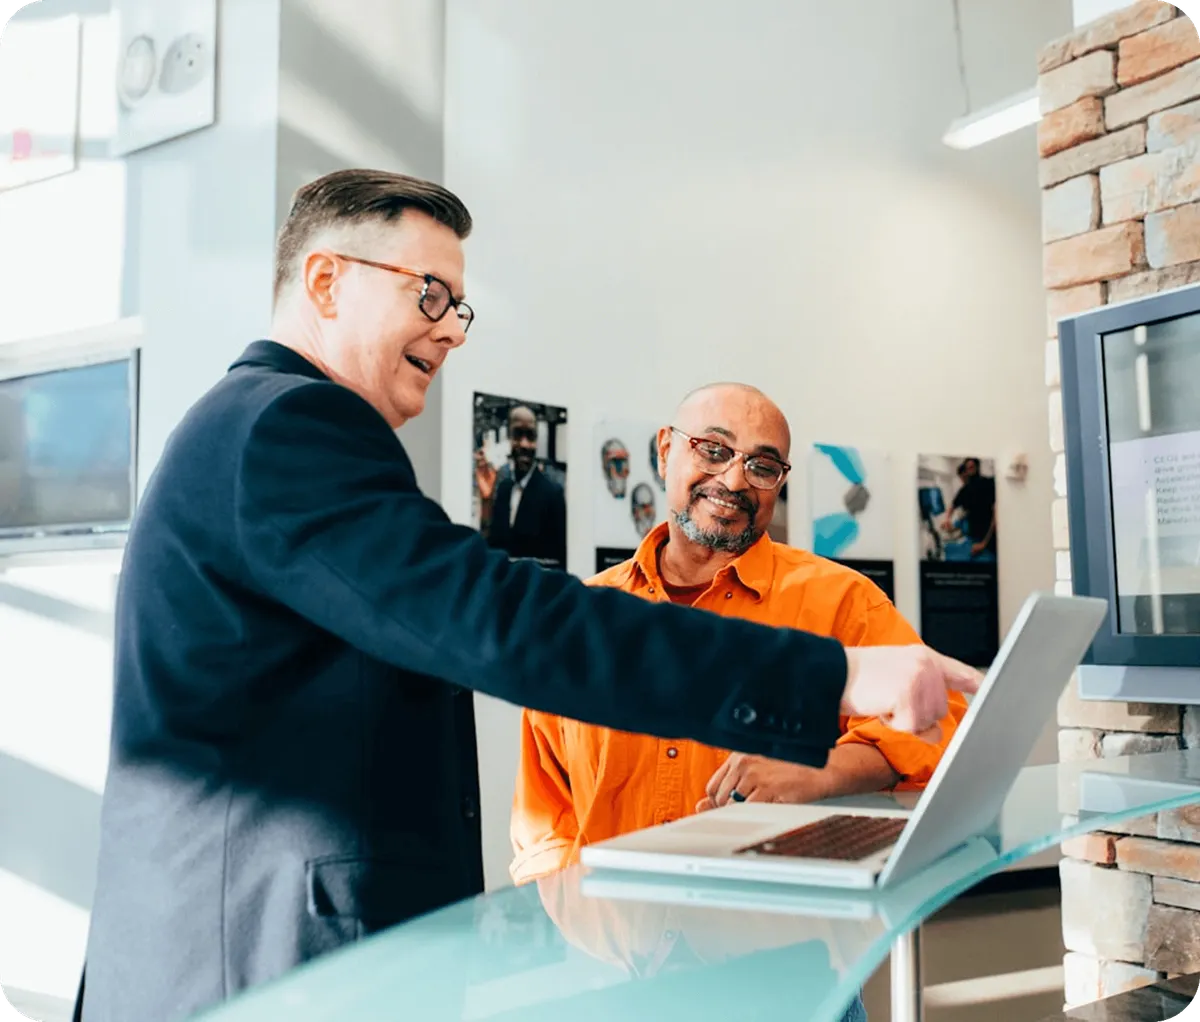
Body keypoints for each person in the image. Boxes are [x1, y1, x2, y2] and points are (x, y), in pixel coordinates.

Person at [75, 170, 979, 1022]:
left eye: (458, 306)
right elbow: (498, 619)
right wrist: (836, 679)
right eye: (428, 293)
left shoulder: (260, 428)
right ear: (324, 282)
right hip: (259, 960)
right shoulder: (287, 425)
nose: (452, 329)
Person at [510, 384, 968, 884]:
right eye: (713, 449)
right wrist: (577, 928)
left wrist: (820, 770)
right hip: (614, 942)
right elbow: (545, 818)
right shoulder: (584, 619)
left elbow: (942, 727)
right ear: (666, 451)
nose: (733, 480)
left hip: (775, 936)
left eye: (762, 466)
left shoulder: (843, 601)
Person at [474, 404, 567, 570]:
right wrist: (486, 500)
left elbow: (559, 562)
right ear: (509, 437)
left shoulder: (552, 494)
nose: (524, 444)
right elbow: (491, 547)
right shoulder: (503, 488)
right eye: (518, 435)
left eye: (530, 436)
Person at [951, 457, 997, 561]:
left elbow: (995, 516)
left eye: (971, 468)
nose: (963, 479)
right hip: (974, 539)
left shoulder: (988, 484)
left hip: (988, 542)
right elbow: (954, 504)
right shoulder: (966, 490)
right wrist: (947, 519)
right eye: (967, 469)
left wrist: (984, 543)